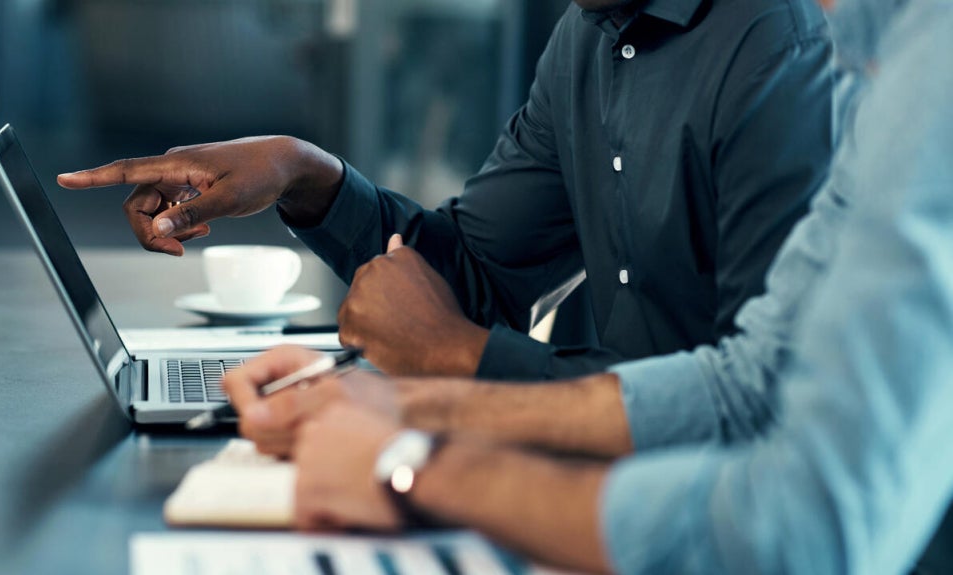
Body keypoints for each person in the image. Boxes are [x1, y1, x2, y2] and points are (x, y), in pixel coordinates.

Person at [219, 0, 953, 572]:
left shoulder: (845, 53)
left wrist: (408, 464)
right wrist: (392, 396)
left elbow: (800, 524)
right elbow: (744, 382)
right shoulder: (871, 51)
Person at [57, 0, 835, 380]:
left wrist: (462, 356)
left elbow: (758, 398)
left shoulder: (778, 53)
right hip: (590, 466)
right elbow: (472, 274)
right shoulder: (585, 39)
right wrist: (303, 173)